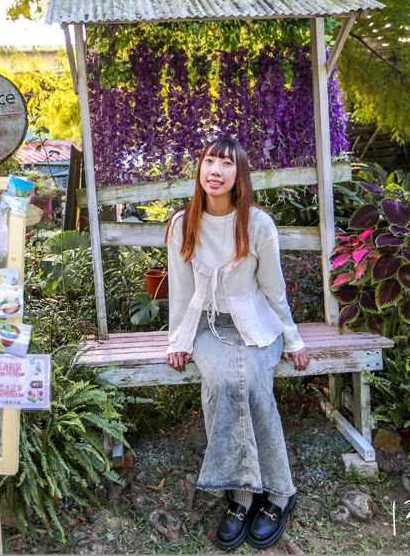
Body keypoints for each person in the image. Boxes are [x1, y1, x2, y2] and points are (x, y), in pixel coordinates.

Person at [164, 137, 311, 551]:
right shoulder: (183, 223)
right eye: (209, 160)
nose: (215, 170)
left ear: (238, 175)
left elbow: (274, 288)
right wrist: (179, 339)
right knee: (223, 382)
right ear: (199, 169)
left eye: (226, 163)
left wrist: (293, 338)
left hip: (256, 325)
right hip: (208, 326)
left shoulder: (257, 223)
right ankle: (245, 494)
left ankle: (277, 492)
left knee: (250, 382)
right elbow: (179, 289)